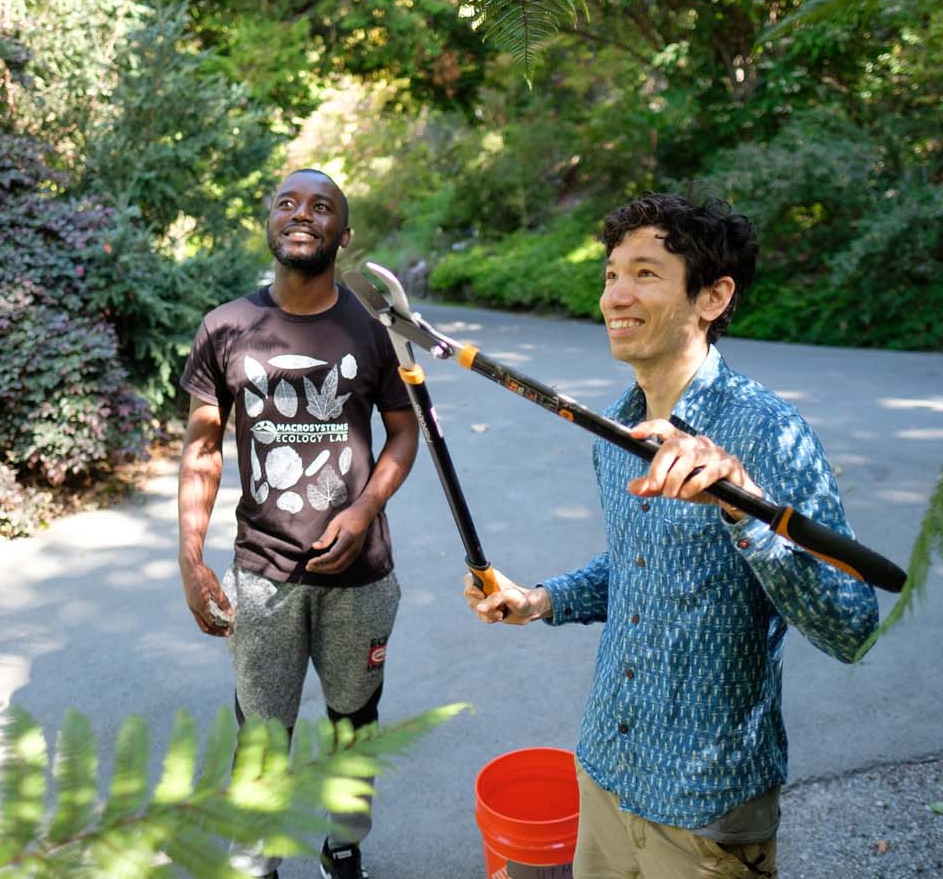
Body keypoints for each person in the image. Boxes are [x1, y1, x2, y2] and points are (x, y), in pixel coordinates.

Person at [462, 192, 880, 879]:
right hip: (602, 772)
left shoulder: (766, 431)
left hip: (703, 813)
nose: (615, 296)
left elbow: (850, 624)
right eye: (610, 274)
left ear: (712, 298)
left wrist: (744, 506)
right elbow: (636, 565)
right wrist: (539, 599)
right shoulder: (615, 429)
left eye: (646, 274)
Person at [176, 168, 418, 879]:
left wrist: (365, 506)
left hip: (362, 574)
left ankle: (344, 843)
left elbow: (403, 434)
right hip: (261, 575)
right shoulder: (224, 328)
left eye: (322, 206)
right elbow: (200, 451)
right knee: (261, 731)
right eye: (287, 202)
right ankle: (255, 859)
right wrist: (192, 558)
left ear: (344, 233)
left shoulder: (373, 332)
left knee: (354, 721)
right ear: (269, 222)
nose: (302, 213)